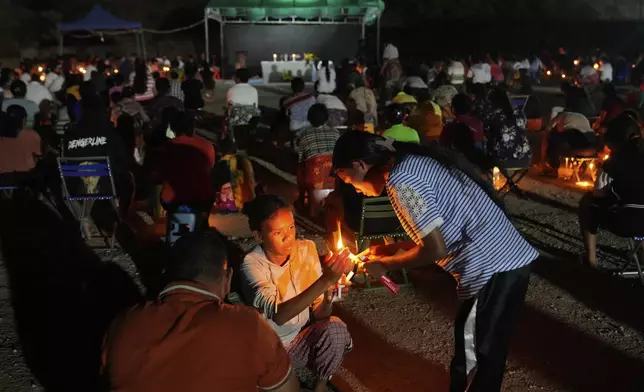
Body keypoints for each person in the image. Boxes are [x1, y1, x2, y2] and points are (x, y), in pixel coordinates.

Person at [331, 130, 538, 392]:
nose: (352, 187)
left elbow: (435, 249)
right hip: (508, 261)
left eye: (347, 179)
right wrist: (392, 249)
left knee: (474, 360)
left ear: (360, 164)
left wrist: (387, 265)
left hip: (489, 269)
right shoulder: (412, 163)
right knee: (488, 355)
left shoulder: (402, 181)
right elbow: (436, 232)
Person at [102, 231, 300, 392]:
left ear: (167, 273)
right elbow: (288, 389)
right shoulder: (247, 326)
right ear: (228, 278)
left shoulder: (123, 324)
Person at [241, 195, 353, 392]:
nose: (289, 237)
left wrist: (328, 296)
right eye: (278, 232)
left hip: (298, 341)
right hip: (268, 352)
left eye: (291, 227)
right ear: (258, 236)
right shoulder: (252, 264)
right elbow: (280, 315)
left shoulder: (306, 250)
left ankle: (319, 386)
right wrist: (325, 280)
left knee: (336, 328)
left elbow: (321, 316)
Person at [579, 112, 644, 268]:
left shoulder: (615, 160)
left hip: (626, 223)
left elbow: (598, 193)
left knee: (588, 203)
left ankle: (591, 261)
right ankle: (642, 252)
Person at [154, 111, 215, 219]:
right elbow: (210, 167)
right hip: (201, 198)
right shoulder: (207, 145)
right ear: (193, 128)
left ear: (173, 129)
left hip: (172, 199)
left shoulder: (166, 147)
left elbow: (160, 172)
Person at [294, 104, 340, 217]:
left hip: (315, 178)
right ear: (326, 118)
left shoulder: (302, 134)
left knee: (301, 167)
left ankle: (301, 200)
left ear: (309, 118)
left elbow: (301, 158)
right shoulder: (335, 133)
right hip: (334, 177)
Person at [484, 89, 532, 166]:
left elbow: (484, 130)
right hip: (525, 159)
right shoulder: (519, 113)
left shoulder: (493, 114)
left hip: (502, 160)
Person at [541, 110, 597, 176]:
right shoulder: (582, 116)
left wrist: (543, 160)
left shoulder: (560, 116)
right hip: (591, 146)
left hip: (574, 135)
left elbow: (547, 132)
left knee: (553, 140)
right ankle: (582, 168)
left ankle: (553, 168)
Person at [0, 105, 41, 176]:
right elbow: (40, 153)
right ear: (24, 120)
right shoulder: (31, 134)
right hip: (26, 179)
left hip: (3, 178)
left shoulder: (2, 135)